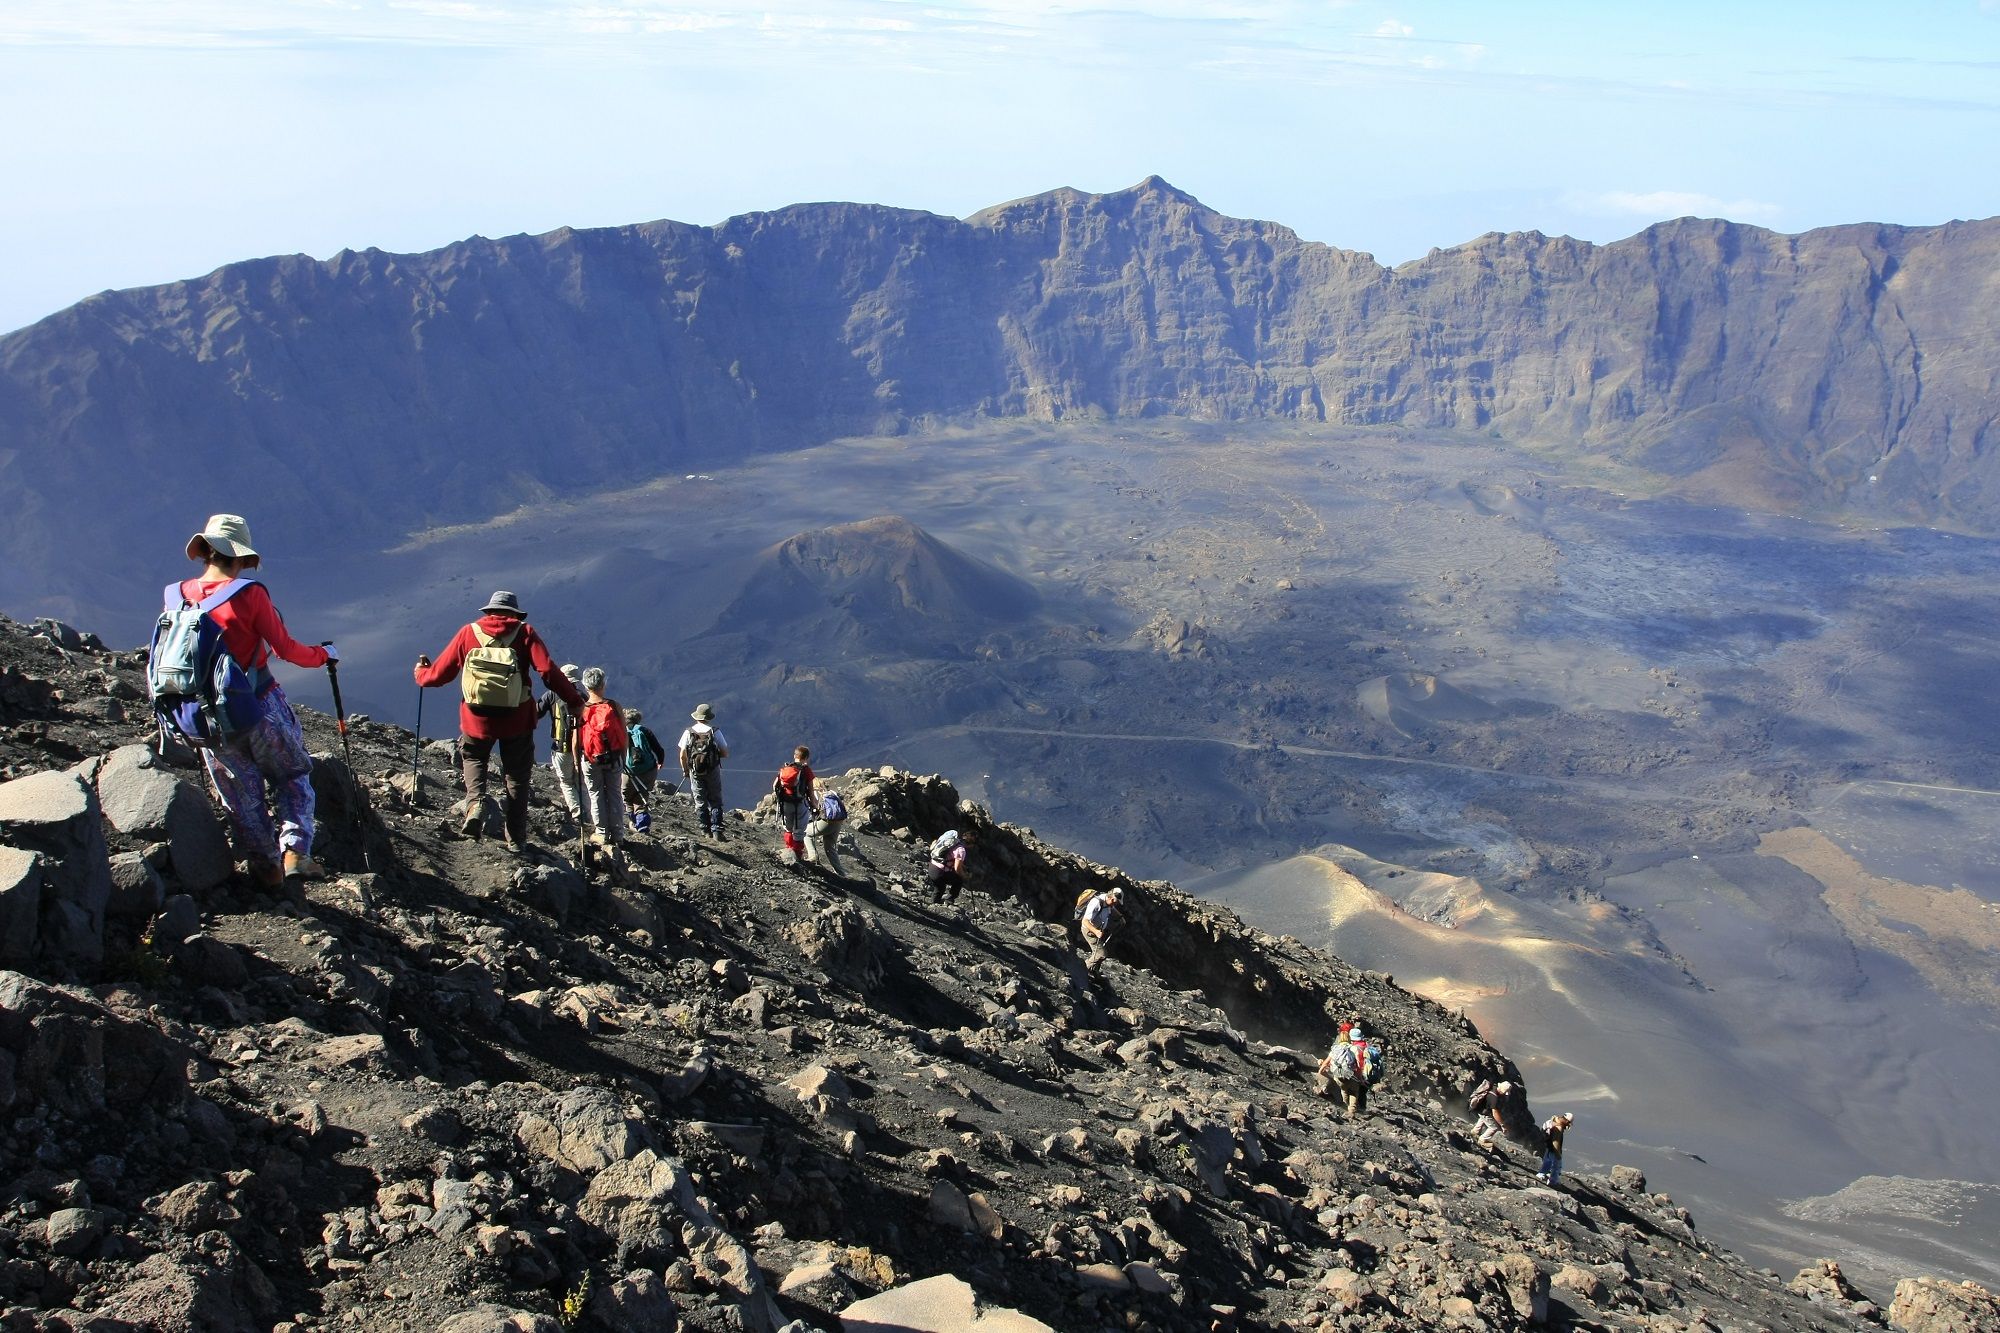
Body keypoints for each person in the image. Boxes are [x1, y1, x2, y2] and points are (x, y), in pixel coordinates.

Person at [159, 514, 334, 887]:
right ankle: (295, 853)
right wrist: (324, 654)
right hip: (258, 704)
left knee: (242, 795)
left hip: (202, 717)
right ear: (239, 556)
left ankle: (266, 869)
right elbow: (285, 649)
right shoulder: (249, 594)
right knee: (292, 775)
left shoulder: (173, 596)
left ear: (205, 550)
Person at [415, 590, 584, 855]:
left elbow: (439, 674)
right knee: (516, 776)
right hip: (516, 719)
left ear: (489, 612)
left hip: (476, 719)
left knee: (474, 759)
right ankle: (516, 838)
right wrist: (574, 700)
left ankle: (475, 804)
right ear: (514, 614)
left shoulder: (468, 633)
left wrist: (421, 673)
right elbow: (548, 671)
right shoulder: (525, 632)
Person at [578, 668, 629, 860]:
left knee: (595, 793)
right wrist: (623, 757)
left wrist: (577, 760)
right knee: (615, 793)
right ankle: (618, 835)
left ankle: (602, 833)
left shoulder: (582, 708)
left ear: (585, 685)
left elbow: (578, 738)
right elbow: (623, 735)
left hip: (591, 759)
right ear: (603, 684)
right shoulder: (614, 706)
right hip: (614, 757)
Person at [536, 664, 586, 826]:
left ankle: (577, 812)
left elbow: (537, 712)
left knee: (566, 782)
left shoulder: (551, 695)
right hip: (582, 750)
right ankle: (588, 814)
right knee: (581, 783)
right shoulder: (583, 698)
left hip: (560, 748)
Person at [678, 703, 730, 838]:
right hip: (712, 770)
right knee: (715, 800)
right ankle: (717, 830)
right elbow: (725, 753)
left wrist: (685, 770)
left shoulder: (688, 732)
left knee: (700, 800)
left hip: (694, 770)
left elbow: (683, 755)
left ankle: (704, 830)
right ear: (708, 717)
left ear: (696, 716)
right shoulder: (714, 731)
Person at [773, 747, 816, 856]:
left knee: (788, 828)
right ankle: (797, 854)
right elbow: (811, 792)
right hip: (800, 804)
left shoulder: (785, 768)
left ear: (794, 756)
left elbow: (775, 786)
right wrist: (815, 806)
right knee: (799, 831)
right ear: (806, 758)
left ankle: (788, 850)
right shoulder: (806, 770)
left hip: (786, 803)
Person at [622, 707, 667, 812]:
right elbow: (659, 750)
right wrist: (660, 762)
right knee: (641, 798)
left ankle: (632, 821)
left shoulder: (621, 731)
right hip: (648, 769)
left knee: (627, 798)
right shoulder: (644, 731)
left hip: (627, 771)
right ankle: (642, 822)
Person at [1317, 1029, 1367, 1118]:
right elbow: (1358, 1064)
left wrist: (1320, 1072)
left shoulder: (1335, 1049)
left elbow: (1326, 1063)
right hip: (1350, 1075)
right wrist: (1360, 1077)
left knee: (1344, 1090)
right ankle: (1351, 1110)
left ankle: (1346, 1106)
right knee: (1354, 1092)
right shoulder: (1353, 1048)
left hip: (1338, 1076)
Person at [1078, 886, 1125, 972]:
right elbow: (1085, 921)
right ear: (1111, 898)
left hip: (1097, 931)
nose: (1115, 904)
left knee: (1099, 952)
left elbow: (1111, 908)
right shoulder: (1096, 903)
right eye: (1115, 902)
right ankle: (1081, 969)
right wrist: (1096, 932)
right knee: (1101, 954)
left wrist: (1120, 917)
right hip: (1089, 931)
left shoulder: (1107, 901)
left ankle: (1094, 972)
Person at [805, 785, 848, 875]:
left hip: (827, 822)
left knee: (806, 833)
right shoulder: (832, 793)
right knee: (829, 847)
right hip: (838, 822)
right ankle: (841, 873)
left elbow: (816, 809)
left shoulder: (817, 794)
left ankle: (813, 856)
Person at [926, 829, 971, 905]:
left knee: (940, 887)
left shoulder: (952, 842)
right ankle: (949, 901)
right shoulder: (961, 850)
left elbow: (949, 857)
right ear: (971, 844)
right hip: (939, 872)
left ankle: (934, 903)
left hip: (932, 866)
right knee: (958, 880)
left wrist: (963, 866)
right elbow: (957, 869)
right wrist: (965, 876)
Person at [1467, 1079, 1514, 1148]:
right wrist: (1502, 1125)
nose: (1505, 1094)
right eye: (1505, 1092)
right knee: (1494, 1127)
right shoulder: (1494, 1098)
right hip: (1483, 1111)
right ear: (1502, 1090)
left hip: (1480, 1109)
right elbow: (1495, 1113)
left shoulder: (1493, 1087)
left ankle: (1475, 1131)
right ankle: (1482, 1140)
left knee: (1483, 1119)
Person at [1537, 1113, 1574, 1186]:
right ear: (1566, 1121)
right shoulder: (1558, 1128)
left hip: (1548, 1146)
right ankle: (1553, 1181)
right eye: (1569, 1123)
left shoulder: (1551, 1121)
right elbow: (1555, 1142)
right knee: (1556, 1166)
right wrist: (1558, 1154)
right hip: (1553, 1149)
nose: (1568, 1125)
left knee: (1547, 1162)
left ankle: (1541, 1174)